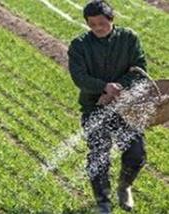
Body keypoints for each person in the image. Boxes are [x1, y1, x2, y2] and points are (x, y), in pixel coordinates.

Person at [67, 1, 148, 213]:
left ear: (112, 20)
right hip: (94, 108)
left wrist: (118, 88)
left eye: (102, 23)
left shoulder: (129, 38)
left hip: (126, 106)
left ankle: (125, 186)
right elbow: (79, 77)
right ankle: (103, 202)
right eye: (92, 24)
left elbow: (139, 69)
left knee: (136, 154)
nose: (97, 28)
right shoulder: (79, 45)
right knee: (99, 155)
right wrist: (104, 88)